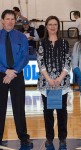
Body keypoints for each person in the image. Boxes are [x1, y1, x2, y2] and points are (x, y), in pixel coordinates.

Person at [37, 16, 71, 150]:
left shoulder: (64, 43)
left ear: (58, 26)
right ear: (46, 26)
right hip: (46, 84)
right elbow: (40, 62)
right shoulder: (41, 43)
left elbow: (68, 62)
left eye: (55, 24)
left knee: (62, 111)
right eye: (50, 24)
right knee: (48, 112)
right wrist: (49, 79)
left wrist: (60, 78)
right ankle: (49, 138)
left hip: (61, 84)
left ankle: (63, 138)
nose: (52, 27)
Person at [0, 10, 33, 148]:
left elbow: (25, 56)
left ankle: (23, 137)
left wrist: (13, 72)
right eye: (7, 19)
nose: (10, 21)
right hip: (1, 74)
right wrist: (5, 70)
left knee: (19, 107)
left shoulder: (21, 37)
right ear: (2, 20)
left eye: (12, 19)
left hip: (17, 74)